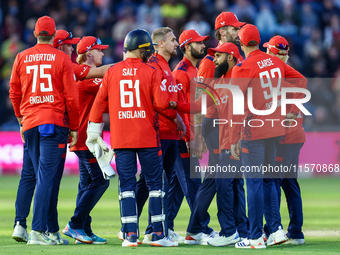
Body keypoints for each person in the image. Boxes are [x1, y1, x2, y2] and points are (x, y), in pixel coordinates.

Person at [87, 29, 177, 247]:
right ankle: (157, 234)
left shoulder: (112, 71)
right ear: (143, 48)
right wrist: (173, 104)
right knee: (155, 185)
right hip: (147, 136)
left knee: (126, 186)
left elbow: (99, 104)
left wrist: (94, 131)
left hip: (122, 138)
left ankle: (130, 235)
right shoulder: (151, 71)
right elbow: (161, 103)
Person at [229, 24, 306, 249]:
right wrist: (292, 109)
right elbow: (301, 80)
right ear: (259, 40)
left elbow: (236, 108)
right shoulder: (276, 62)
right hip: (275, 131)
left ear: (241, 44)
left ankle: (254, 238)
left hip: (254, 132)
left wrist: (233, 138)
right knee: (269, 181)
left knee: (253, 183)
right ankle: (274, 231)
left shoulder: (242, 68)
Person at [9, 16, 79, 245]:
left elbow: (14, 92)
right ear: (54, 33)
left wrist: (21, 119)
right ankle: (38, 231)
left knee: (29, 175)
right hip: (53, 122)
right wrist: (75, 127)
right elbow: (71, 97)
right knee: (46, 178)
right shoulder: (61, 58)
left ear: (35, 33)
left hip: (29, 122)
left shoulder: (21, 57)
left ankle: (22, 225)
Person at [184, 12, 247, 245]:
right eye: (234, 28)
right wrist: (197, 135)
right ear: (222, 32)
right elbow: (200, 100)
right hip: (216, 126)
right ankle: (236, 228)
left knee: (216, 178)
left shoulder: (233, 59)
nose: (238, 32)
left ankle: (194, 228)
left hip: (226, 124)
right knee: (229, 178)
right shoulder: (211, 62)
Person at [133, 27, 185, 244]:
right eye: (173, 40)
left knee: (150, 181)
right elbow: (157, 101)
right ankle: (139, 227)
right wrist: (178, 116)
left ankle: (147, 229)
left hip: (169, 132)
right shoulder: (153, 65)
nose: (177, 44)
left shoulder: (165, 66)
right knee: (152, 182)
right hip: (158, 132)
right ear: (160, 43)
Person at [62, 36, 110, 245]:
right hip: (85, 140)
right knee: (101, 180)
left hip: (84, 139)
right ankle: (75, 224)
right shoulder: (88, 80)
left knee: (86, 184)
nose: (103, 54)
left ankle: (84, 229)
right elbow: (111, 89)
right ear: (89, 53)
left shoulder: (86, 79)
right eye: (100, 50)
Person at [264, 35, 306, 245]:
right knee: (289, 183)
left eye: (268, 52)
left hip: (285, 137)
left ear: (273, 53)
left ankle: (273, 228)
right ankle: (296, 231)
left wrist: (290, 112)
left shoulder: (278, 73)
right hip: (294, 135)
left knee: (274, 180)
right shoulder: (287, 72)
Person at [170, 29, 211, 243]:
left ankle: (162, 227)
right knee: (193, 184)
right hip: (182, 139)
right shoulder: (181, 73)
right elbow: (177, 109)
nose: (203, 46)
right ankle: (199, 229)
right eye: (198, 43)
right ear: (186, 46)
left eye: (203, 43)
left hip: (188, 136)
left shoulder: (194, 71)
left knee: (176, 188)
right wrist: (190, 137)